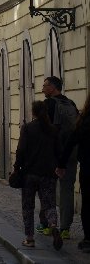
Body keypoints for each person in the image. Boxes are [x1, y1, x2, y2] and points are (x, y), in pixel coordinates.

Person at [15, 100, 62, 250]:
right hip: (48, 174)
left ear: (33, 112)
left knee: (28, 207)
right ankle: (53, 225)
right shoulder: (53, 130)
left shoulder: (27, 128)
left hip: (29, 174)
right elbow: (58, 151)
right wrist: (60, 167)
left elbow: (21, 150)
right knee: (49, 204)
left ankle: (29, 238)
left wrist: (16, 167)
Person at [37, 76, 79, 240]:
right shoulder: (71, 104)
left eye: (45, 86)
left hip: (53, 154)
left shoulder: (48, 104)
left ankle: (48, 225)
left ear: (53, 87)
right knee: (67, 190)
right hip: (71, 153)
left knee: (47, 189)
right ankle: (65, 228)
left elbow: (42, 131)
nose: (42, 89)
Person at [57, 92, 90, 252]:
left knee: (87, 204)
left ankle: (88, 238)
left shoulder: (84, 120)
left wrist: (61, 164)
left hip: (88, 168)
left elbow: (71, 142)